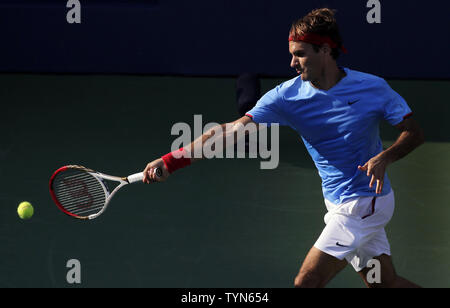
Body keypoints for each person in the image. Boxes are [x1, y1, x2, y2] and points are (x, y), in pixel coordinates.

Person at [142, 8, 424, 288]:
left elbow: (413, 133)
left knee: (307, 282)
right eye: (291, 54)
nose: (292, 63)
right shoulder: (286, 96)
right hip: (338, 202)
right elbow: (229, 131)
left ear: (325, 51)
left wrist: (385, 157)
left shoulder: (371, 87)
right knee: (386, 284)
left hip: (364, 203)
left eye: (300, 54)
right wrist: (170, 161)